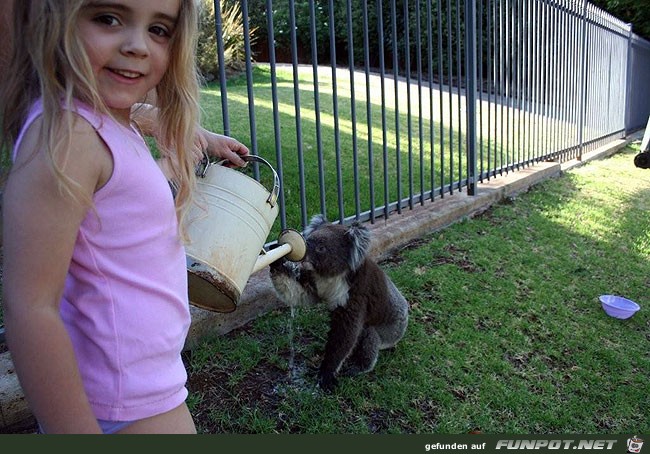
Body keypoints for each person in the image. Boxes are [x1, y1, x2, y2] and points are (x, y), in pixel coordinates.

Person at [0, 0, 247, 434]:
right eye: (108, 18)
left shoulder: (104, 120)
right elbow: (31, 308)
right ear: (57, 20)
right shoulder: (70, 138)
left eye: (159, 29)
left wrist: (195, 134)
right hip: (124, 403)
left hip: (143, 387)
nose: (137, 45)